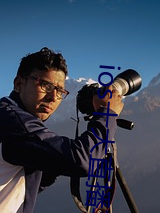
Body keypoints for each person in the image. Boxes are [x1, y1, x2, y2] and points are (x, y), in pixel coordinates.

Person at [0, 47, 124, 213]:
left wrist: (54, 160)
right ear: (19, 84)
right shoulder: (14, 122)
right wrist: (107, 115)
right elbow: (82, 161)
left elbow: (23, 187)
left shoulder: (11, 117)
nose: (52, 97)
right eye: (45, 85)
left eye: (59, 91)